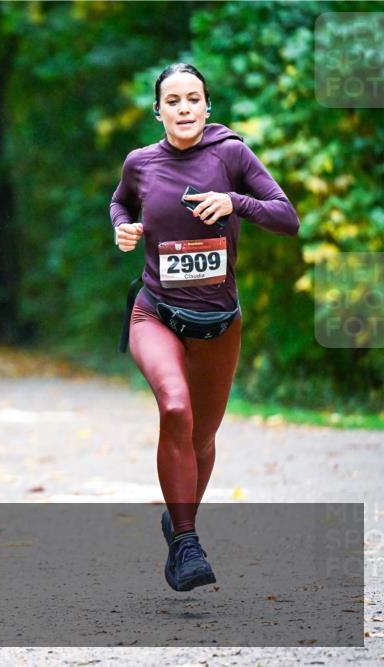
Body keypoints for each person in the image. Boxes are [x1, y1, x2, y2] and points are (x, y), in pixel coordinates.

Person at [110, 63, 299, 592]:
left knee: (203, 437)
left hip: (218, 320)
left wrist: (233, 202)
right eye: (173, 101)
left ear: (207, 106)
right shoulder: (141, 162)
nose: (184, 108)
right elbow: (120, 201)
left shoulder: (229, 154)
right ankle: (186, 543)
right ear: (158, 111)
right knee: (175, 407)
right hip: (156, 311)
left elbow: (286, 217)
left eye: (193, 98)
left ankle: (179, 518)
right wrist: (123, 227)